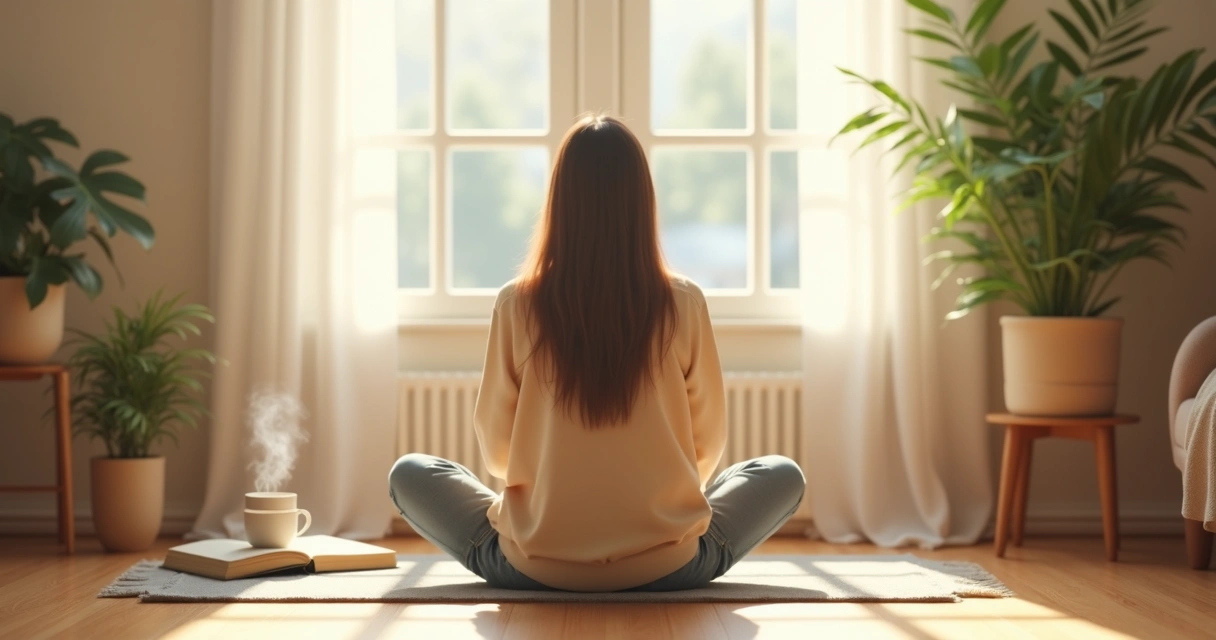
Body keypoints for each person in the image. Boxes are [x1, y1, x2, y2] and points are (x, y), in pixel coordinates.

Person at [388, 114, 805, 592]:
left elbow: (498, 455)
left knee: (412, 474)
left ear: (559, 203)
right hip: (669, 566)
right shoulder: (684, 303)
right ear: (641, 202)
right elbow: (705, 450)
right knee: (780, 474)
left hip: (532, 563)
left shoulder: (516, 303)